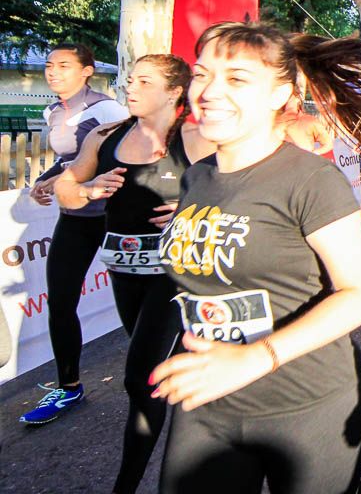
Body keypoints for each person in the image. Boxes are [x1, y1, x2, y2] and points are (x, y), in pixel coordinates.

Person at [148, 22, 361, 494]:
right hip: (209, 401)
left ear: (280, 94)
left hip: (306, 404)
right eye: (201, 75)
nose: (210, 91)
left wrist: (256, 358)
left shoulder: (311, 180)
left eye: (237, 79)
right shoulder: (196, 178)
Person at [51, 54, 214, 493]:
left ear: (175, 91)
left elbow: (241, 189)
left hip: (176, 274)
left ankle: (126, 484)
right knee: (158, 371)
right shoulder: (105, 136)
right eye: (131, 79)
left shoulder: (197, 137)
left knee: (140, 377)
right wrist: (86, 190)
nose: (131, 87)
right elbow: (66, 188)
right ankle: (205, 422)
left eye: (144, 81)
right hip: (124, 272)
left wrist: (194, 210)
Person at [21, 44, 128, 425]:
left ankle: (158, 374)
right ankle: (69, 387)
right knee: (60, 301)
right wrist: (46, 180)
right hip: (75, 216)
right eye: (50, 65)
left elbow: (125, 156)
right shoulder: (52, 111)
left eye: (64, 65)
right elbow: (70, 161)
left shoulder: (107, 109)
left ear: (87, 71)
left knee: (134, 302)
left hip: (114, 215)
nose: (53, 72)